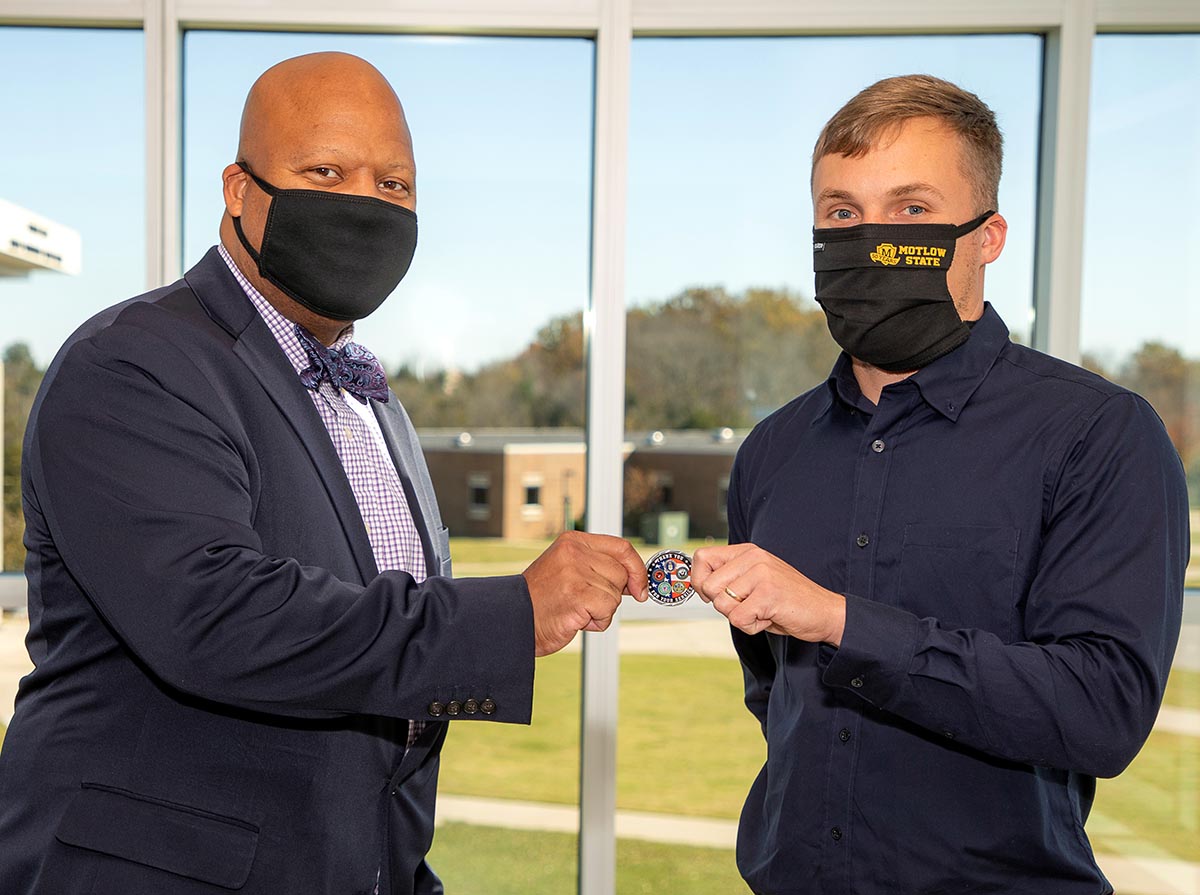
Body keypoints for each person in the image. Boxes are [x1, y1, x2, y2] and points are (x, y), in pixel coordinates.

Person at [0, 52, 648, 894]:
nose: (364, 205)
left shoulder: (370, 398)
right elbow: (218, 617)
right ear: (240, 190)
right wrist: (510, 613)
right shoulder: (135, 362)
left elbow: (375, 662)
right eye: (326, 171)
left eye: (394, 186)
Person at [691, 74, 1189, 894]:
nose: (872, 237)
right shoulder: (772, 451)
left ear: (987, 235)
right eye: (843, 212)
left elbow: (1103, 712)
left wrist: (846, 622)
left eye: (912, 210)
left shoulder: (1097, 434)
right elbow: (775, 694)